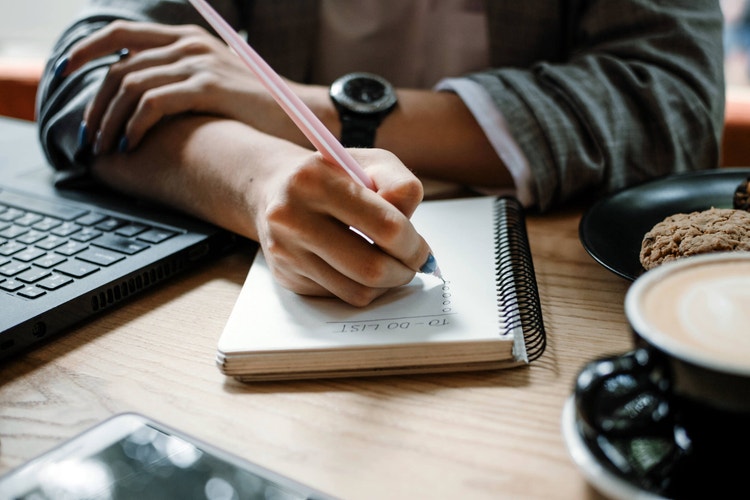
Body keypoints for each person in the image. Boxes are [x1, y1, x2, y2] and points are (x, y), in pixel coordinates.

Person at [37, 0, 725, 306]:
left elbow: (673, 104)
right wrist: (258, 175)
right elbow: (85, 77)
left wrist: (302, 109)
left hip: (569, 287)